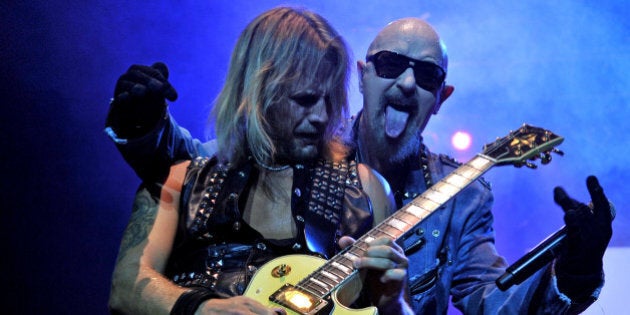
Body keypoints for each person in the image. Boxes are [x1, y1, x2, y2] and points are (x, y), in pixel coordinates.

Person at [105, 14, 614, 314]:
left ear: (442, 97)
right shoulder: (297, 143)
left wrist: (573, 272)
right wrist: (142, 123)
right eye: (393, 65)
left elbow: (489, 302)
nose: (408, 84)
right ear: (364, 76)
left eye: (427, 75)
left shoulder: (462, 193)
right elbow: (205, 165)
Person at [108, 7, 414, 315]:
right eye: (305, 100)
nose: (322, 116)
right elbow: (126, 288)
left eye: (330, 99)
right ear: (259, 92)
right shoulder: (184, 174)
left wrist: (394, 303)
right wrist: (204, 308)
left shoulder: (366, 188)